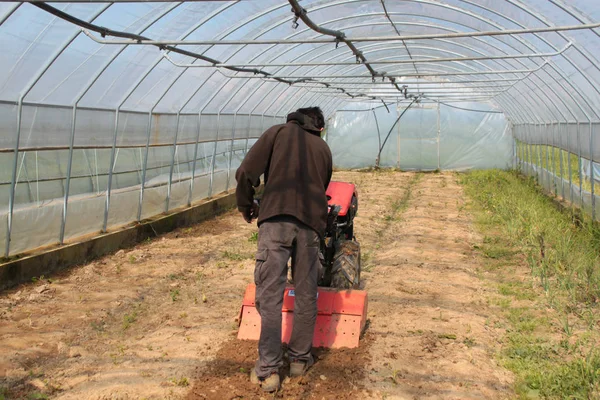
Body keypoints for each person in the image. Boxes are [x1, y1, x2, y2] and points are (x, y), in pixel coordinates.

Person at [235, 107, 332, 392]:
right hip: (311, 227)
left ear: (294, 118)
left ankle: (268, 370)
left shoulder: (277, 133)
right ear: (320, 127)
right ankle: (300, 359)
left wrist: (246, 206)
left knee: (270, 295)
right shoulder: (323, 148)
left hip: (275, 221)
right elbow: (322, 186)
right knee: (305, 293)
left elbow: (246, 173)